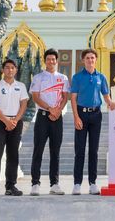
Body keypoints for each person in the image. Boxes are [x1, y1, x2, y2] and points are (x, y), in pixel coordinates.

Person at [70, 49, 115, 195]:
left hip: (96, 115)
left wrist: (113, 103)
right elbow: (73, 98)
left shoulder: (101, 77)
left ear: (96, 60)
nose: (90, 60)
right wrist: (76, 117)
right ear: (83, 60)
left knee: (94, 150)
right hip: (81, 114)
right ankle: (77, 183)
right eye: (87, 58)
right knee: (80, 150)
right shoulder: (77, 77)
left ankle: (93, 183)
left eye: (92, 58)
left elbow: (106, 97)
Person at [29, 48, 69, 196]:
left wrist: (57, 111)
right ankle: (35, 183)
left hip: (57, 118)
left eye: (53, 59)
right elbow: (35, 97)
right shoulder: (38, 77)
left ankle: (54, 184)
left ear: (57, 61)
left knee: (55, 151)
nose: (51, 62)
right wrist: (50, 109)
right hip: (42, 117)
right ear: (45, 61)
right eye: (48, 59)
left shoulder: (63, 78)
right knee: (38, 150)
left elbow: (65, 97)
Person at [0, 59, 28, 197]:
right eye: (7, 67)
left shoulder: (21, 86)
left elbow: (23, 105)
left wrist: (14, 120)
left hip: (16, 123)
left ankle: (11, 186)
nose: (10, 70)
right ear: (3, 70)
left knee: (13, 155)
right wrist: (6, 121)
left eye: (12, 68)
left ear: (16, 70)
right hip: (0, 122)